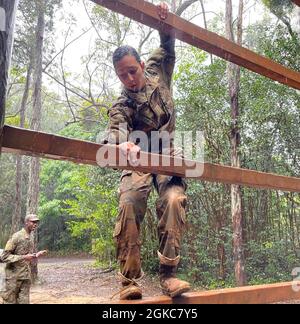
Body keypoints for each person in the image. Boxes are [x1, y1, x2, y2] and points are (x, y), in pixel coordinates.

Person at [103, 2, 191, 300]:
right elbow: (116, 128)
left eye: (131, 71)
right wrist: (122, 142)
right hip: (138, 158)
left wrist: (163, 19)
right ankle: (129, 282)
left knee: (175, 199)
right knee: (129, 203)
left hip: (166, 154)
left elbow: (167, 41)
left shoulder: (157, 70)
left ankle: (169, 274)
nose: (129, 79)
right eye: (122, 76)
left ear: (141, 65)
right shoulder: (122, 103)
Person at [0, 214, 47, 304]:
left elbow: (26, 255)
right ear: (26, 222)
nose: (35, 224)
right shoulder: (16, 237)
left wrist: (36, 255)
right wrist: (24, 257)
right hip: (12, 279)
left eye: (36, 222)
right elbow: (4, 257)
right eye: (33, 222)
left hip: (25, 277)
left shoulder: (29, 238)